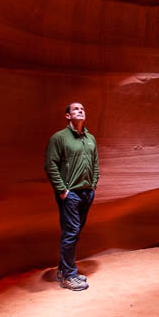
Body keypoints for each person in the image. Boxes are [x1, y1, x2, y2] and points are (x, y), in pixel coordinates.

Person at [44, 102, 100, 291]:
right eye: (75, 109)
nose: (80, 110)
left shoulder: (90, 138)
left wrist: (92, 186)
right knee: (71, 234)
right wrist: (63, 191)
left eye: (82, 108)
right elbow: (51, 165)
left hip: (86, 193)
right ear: (67, 116)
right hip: (70, 194)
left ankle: (63, 269)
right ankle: (69, 275)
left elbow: (96, 164)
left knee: (74, 234)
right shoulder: (59, 138)